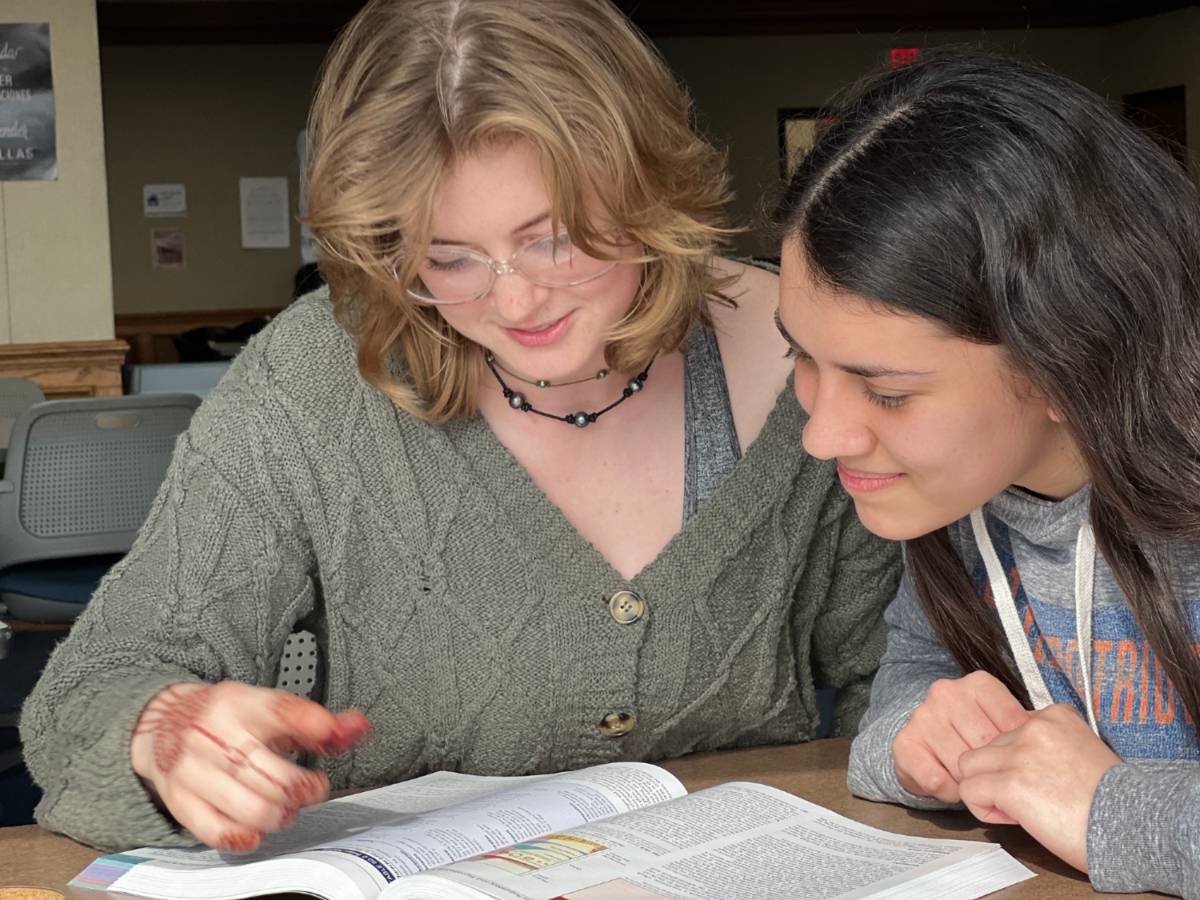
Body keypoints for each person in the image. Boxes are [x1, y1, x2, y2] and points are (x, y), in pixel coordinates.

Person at [21, 0, 899, 853]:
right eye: (447, 258)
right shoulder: (313, 382)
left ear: (648, 189)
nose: (513, 302)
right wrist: (166, 730)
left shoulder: (807, 354)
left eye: (555, 239)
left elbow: (898, 674)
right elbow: (90, 688)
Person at [773, 48, 1200, 896]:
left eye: (887, 391)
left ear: (1061, 356)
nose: (822, 435)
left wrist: (1113, 808)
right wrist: (914, 734)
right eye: (803, 357)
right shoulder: (959, 492)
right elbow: (907, 679)